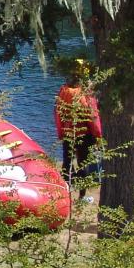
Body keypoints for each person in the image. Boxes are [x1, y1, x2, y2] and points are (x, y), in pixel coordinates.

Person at [54, 59, 103, 201]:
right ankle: (82, 195)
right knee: (83, 163)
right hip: (84, 134)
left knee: (67, 162)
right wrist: (98, 135)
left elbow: (58, 114)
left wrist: (61, 132)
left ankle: (64, 193)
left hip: (68, 132)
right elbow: (93, 116)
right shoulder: (85, 94)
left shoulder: (63, 92)